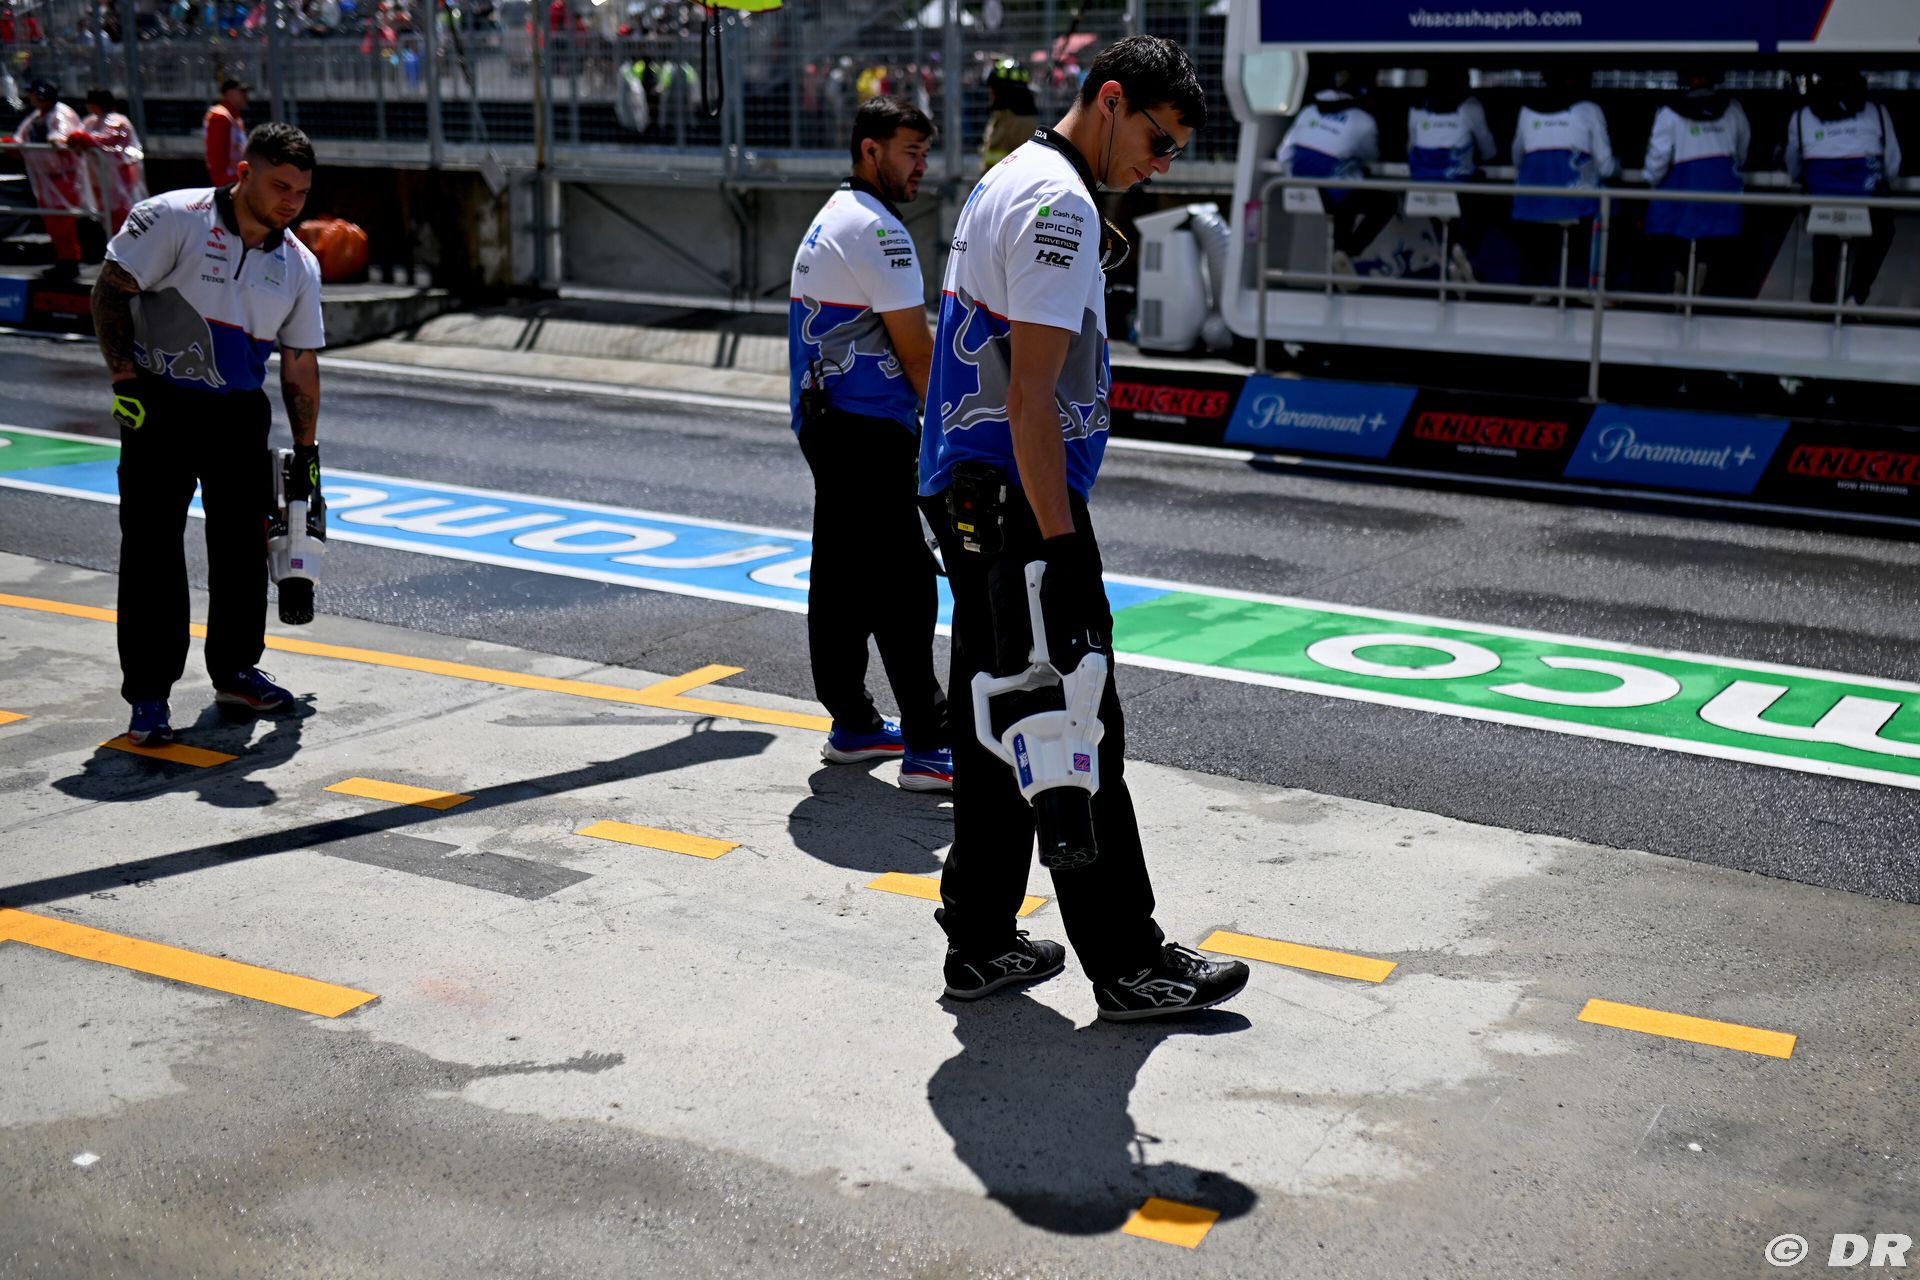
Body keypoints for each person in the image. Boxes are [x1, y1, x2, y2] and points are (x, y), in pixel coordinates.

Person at [919, 34, 1250, 1020]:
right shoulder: (1058, 204)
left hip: (976, 492)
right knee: (1077, 725)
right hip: (1023, 502)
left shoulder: (1016, 175)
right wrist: (1063, 548)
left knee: (997, 723)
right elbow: (1030, 397)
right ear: (1111, 101)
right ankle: (1128, 960)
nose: (1163, 164)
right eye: (1159, 140)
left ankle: (980, 939)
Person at [90, 123, 327, 746]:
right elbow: (111, 290)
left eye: (301, 191)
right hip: (159, 404)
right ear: (244, 172)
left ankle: (236, 671)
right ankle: (149, 695)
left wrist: (307, 451)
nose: (291, 201)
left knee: (243, 549)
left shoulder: (300, 264)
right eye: (279, 185)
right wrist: (124, 380)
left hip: (238, 413)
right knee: (151, 550)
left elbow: (300, 359)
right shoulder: (174, 217)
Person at [788, 97, 953, 791]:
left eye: (925, 152)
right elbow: (919, 354)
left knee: (842, 574)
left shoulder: (834, 215)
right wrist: (950, 436)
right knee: (904, 581)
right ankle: (929, 744)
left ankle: (854, 723)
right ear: (870, 150)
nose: (921, 166)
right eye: (910, 151)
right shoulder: (880, 232)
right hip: (867, 428)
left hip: (825, 421)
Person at [1785, 70, 1903, 307]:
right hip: (1868, 202)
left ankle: (1821, 300)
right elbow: (1893, 164)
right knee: (1883, 230)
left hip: (1821, 203)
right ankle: (1856, 295)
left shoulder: (1801, 116)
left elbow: (1794, 167)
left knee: (1824, 235)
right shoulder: (1876, 112)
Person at [1642, 73, 1750, 297]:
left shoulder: (1668, 113)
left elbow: (1657, 161)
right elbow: (1742, 152)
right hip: (1723, 199)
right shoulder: (1734, 109)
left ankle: (1680, 275)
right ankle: (1703, 275)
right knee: (1715, 250)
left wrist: (1650, 180)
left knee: (1673, 243)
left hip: (1681, 200)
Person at [1276, 73, 1392, 275]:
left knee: (1345, 188)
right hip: (1338, 195)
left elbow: (1283, 155)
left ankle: (1341, 255)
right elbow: (1371, 156)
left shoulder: (1308, 112)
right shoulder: (1363, 121)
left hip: (1299, 191)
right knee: (1384, 201)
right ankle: (1347, 251)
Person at [1510, 71, 1617, 292]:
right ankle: (1593, 289)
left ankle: (1539, 288)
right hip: (1578, 207)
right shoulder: (1589, 110)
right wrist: (1620, 167)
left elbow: (1516, 159)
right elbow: (1606, 168)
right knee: (1611, 213)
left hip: (1534, 209)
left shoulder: (1526, 111)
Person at [1406, 67, 1495, 281]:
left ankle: (1452, 265)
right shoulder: (1470, 107)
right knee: (1488, 201)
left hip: (1422, 188)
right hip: (1457, 187)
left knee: (1446, 218)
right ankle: (1462, 249)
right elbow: (1489, 151)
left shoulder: (1416, 109)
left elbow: (1410, 149)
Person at [14, 79, 90, 281]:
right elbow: (21, 137)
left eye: (32, 93)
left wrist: (57, 139)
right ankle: (63, 259)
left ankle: (71, 262)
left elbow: (61, 135)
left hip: (64, 177)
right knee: (52, 222)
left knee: (62, 221)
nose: (29, 96)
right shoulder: (36, 117)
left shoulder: (60, 113)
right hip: (45, 178)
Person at [70, 88, 149, 236]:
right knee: (105, 216)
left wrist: (84, 139)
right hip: (97, 177)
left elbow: (106, 141)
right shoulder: (90, 121)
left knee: (121, 213)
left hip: (118, 176)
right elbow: (77, 138)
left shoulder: (118, 121)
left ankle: (126, 244)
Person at [980, 57, 1038, 171]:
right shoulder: (1000, 115)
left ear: (1004, 91)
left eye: (994, 88)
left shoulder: (1022, 123)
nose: (990, 93)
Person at [203, 79, 250, 186]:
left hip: (236, 178)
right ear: (230, 92)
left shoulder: (234, 117)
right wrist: (222, 182)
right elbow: (216, 156)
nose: (246, 96)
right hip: (227, 180)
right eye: (242, 92)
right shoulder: (219, 116)